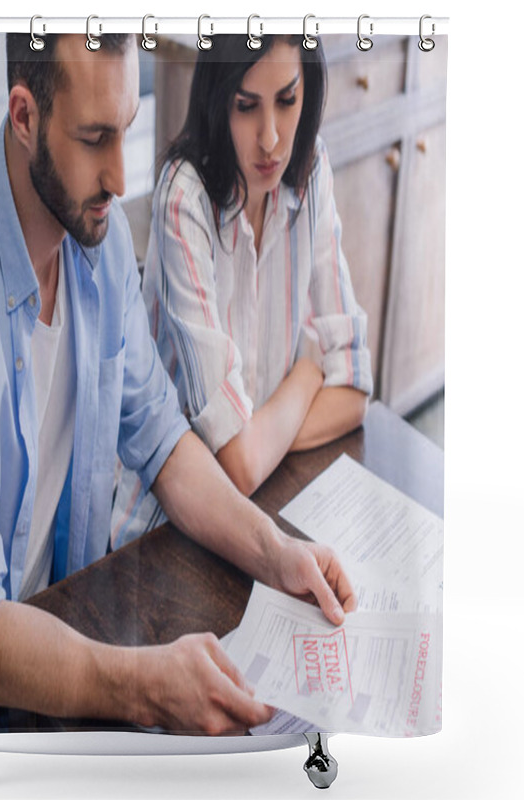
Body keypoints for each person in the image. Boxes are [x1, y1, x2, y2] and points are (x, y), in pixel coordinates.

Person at [0, 33, 356, 736]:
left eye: (125, 130)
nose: (121, 177)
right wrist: (143, 685)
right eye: (95, 139)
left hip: (67, 642)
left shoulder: (101, 240)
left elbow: (161, 439)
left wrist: (277, 553)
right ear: (24, 116)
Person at [112, 36, 373, 546]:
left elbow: (356, 392)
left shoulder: (310, 167)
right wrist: (308, 374)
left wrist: (259, 441)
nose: (272, 138)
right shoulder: (183, 196)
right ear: (218, 100)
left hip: (272, 497)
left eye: (287, 100)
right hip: (161, 528)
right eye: (246, 106)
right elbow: (237, 464)